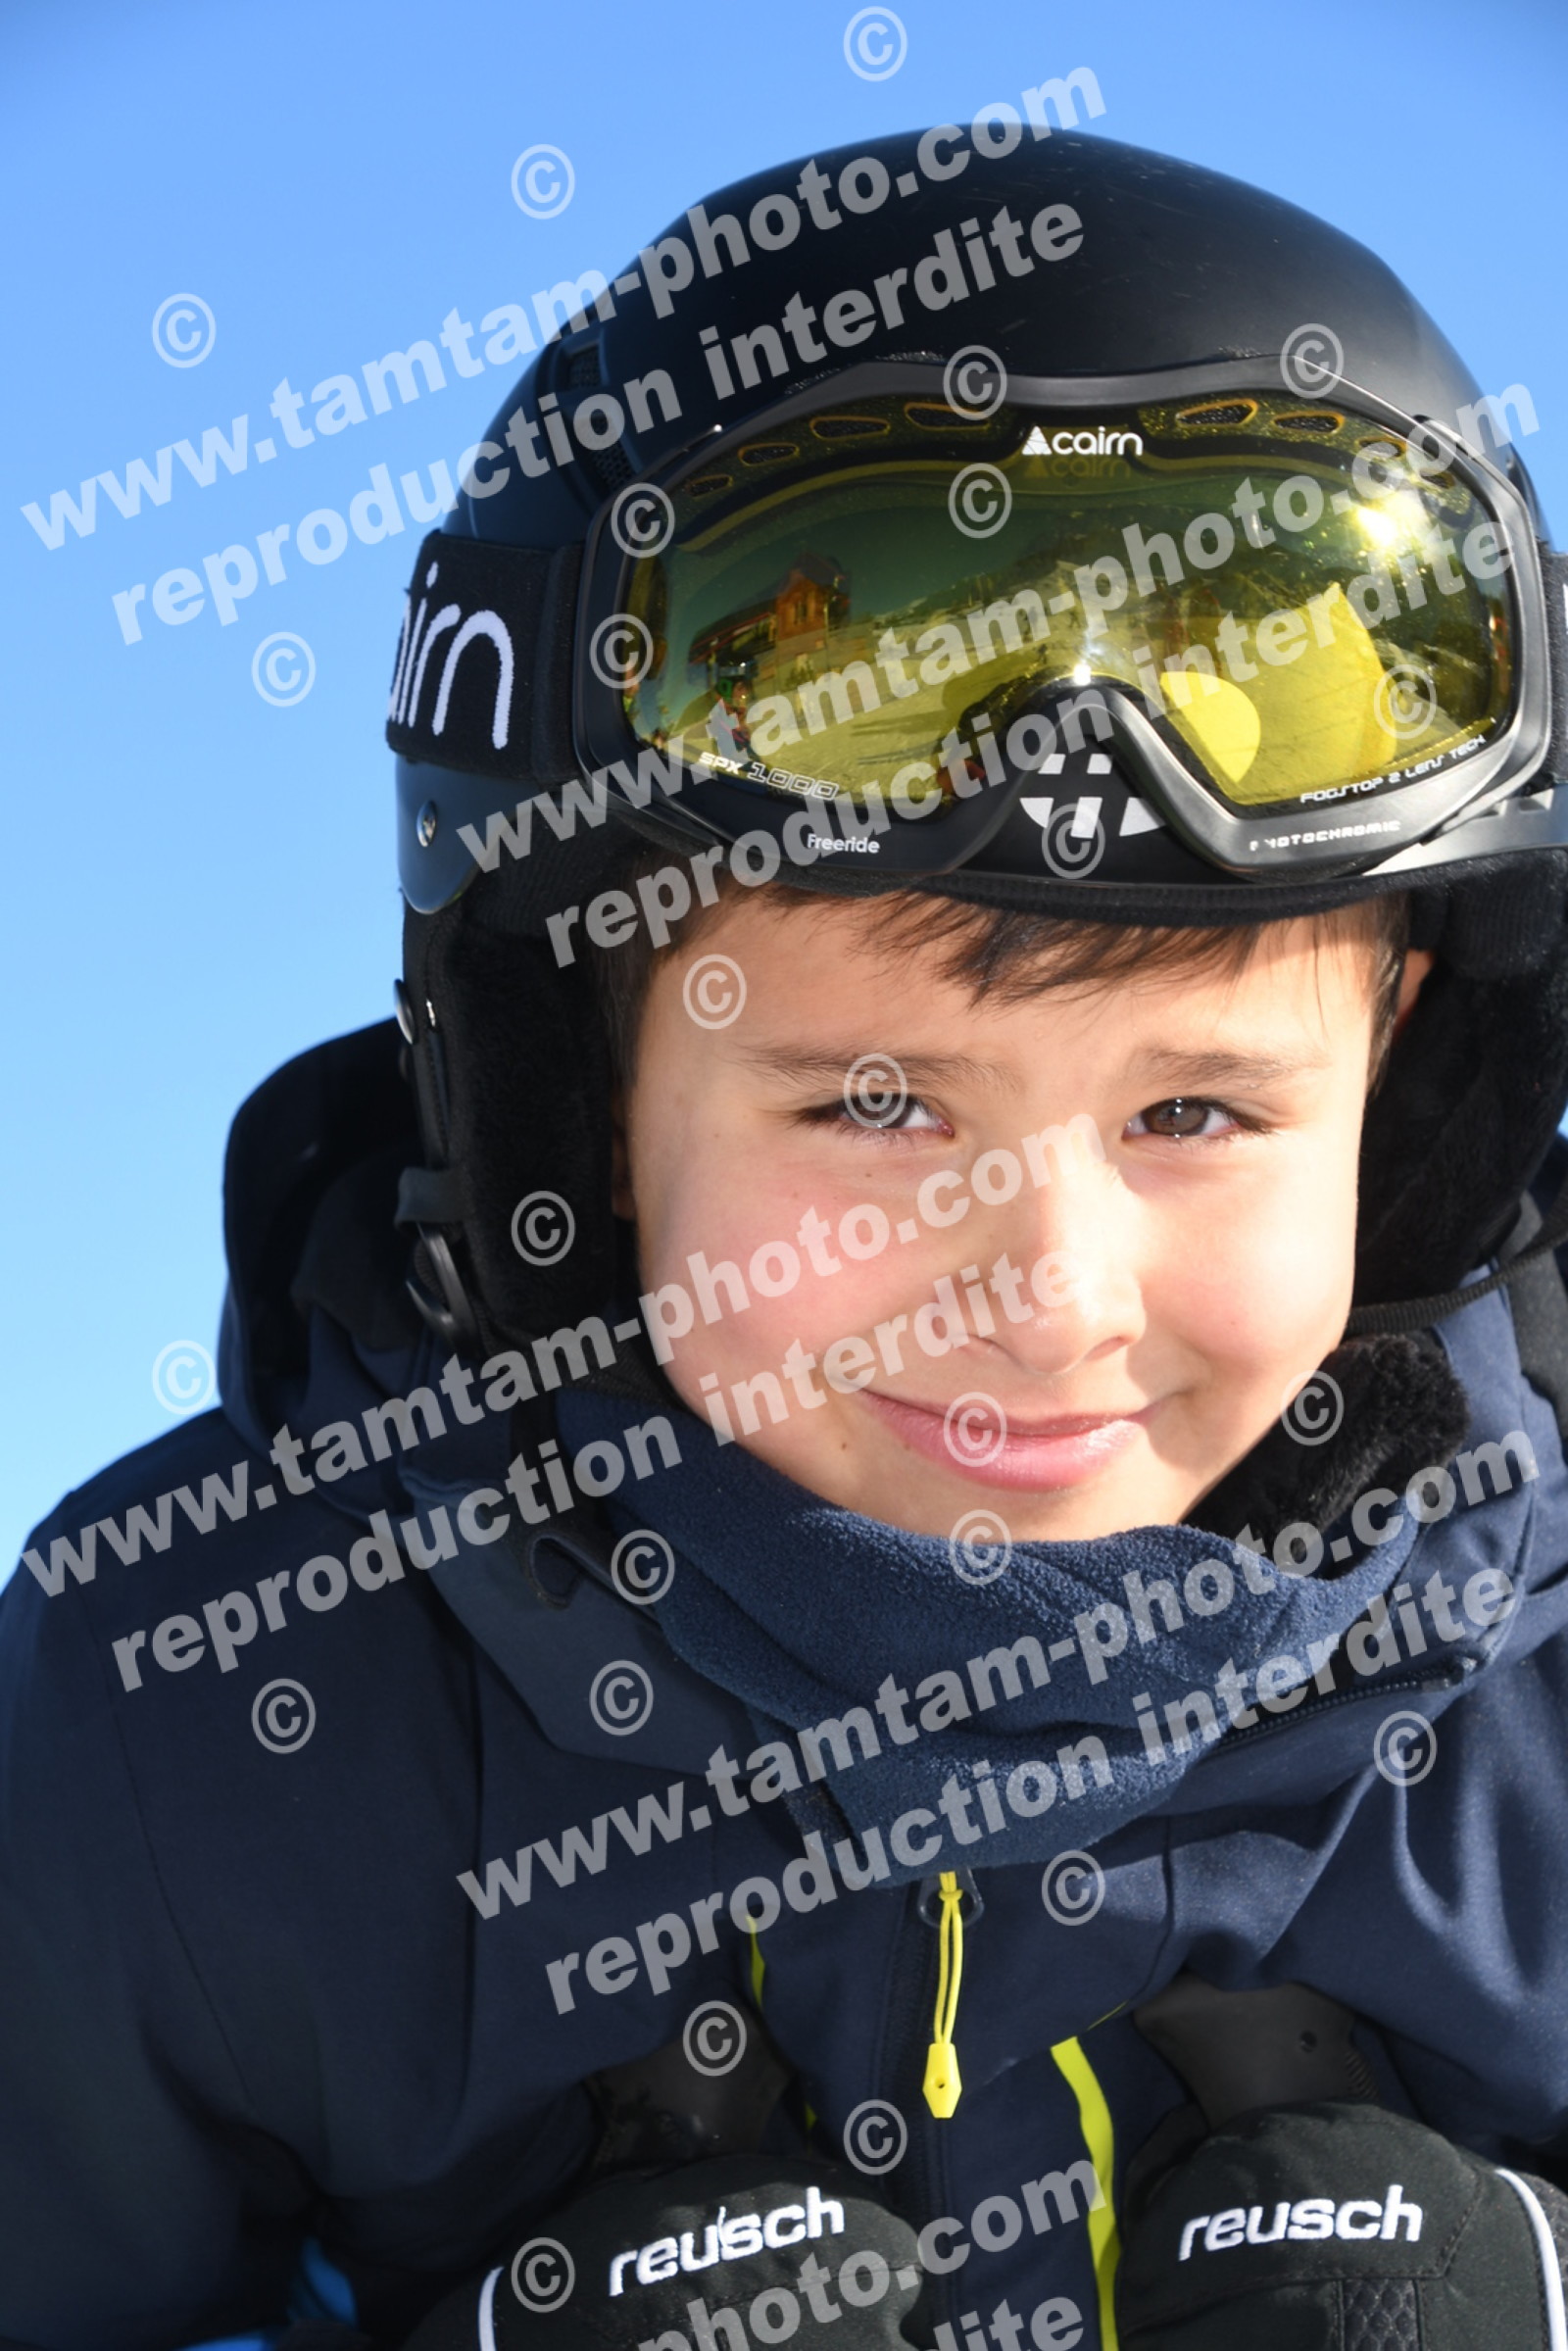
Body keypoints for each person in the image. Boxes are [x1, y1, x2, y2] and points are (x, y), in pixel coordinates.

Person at [7, 121, 1568, 2351]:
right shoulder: (195, 1737)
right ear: (576, 1101)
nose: (1051, 1300)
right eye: (875, 1105)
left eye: (1194, 1113)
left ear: (1403, 1089)